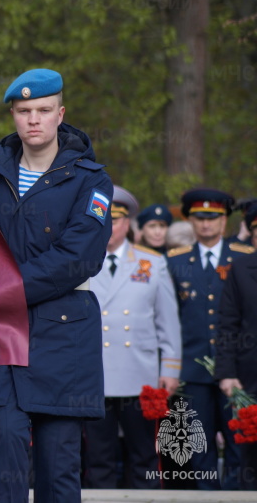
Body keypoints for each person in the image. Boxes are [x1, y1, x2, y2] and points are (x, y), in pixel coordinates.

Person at [0, 68, 113, 502]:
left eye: (44, 110)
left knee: (58, 464)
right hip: (1, 336)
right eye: (24, 110)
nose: (34, 119)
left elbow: (76, 260)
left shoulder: (90, 179)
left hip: (63, 334)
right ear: (13, 114)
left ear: (60, 114)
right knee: (4, 444)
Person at [84, 186, 182, 488]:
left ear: (127, 223)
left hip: (139, 375)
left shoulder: (152, 263)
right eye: (103, 218)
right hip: (94, 376)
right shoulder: (80, 260)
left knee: (144, 457)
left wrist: (170, 369)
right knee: (98, 459)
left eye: (116, 219)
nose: (110, 227)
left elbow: (168, 322)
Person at [166, 187, 254, 490]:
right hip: (192, 370)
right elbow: (169, 317)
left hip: (237, 370)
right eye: (199, 218)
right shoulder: (174, 260)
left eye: (213, 218)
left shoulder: (244, 257)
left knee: (237, 443)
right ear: (190, 220)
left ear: (224, 220)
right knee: (197, 446)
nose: (206, 224)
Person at [215, 202, 257, 489]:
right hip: (251, 378)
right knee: (251, 456)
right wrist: (227, 373)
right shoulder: (241, 269)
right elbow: (228, 324)